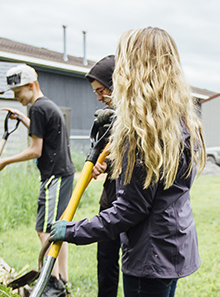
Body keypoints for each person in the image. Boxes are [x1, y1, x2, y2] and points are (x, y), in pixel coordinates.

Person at [47, 26, 204, 297]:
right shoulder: (179, 120)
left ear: (134, 69)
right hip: (172, 248)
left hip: (150, 258)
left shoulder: (142, 132)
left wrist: (72, 230)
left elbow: (129, 210)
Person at [0, 64, 76, 291]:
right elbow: (44, 133)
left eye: (18, 92)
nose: (16, 97)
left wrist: (3, 162)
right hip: (62, 173)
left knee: (45, 230)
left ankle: (52, 283)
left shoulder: (37, 108)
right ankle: (62, 280)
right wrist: (22, 119)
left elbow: (36, 150)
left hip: (53, 176)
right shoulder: (44, 106)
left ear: (31, 85)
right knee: (58, 228)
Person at [85, 54, 122, 297]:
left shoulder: (139, 119)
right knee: (106, 263)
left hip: (132, 204)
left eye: (101, 90)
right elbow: (95, 156)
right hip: (110, 201)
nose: (99, 97)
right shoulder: (107, 121)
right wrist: (100, 166)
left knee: (131, 266)